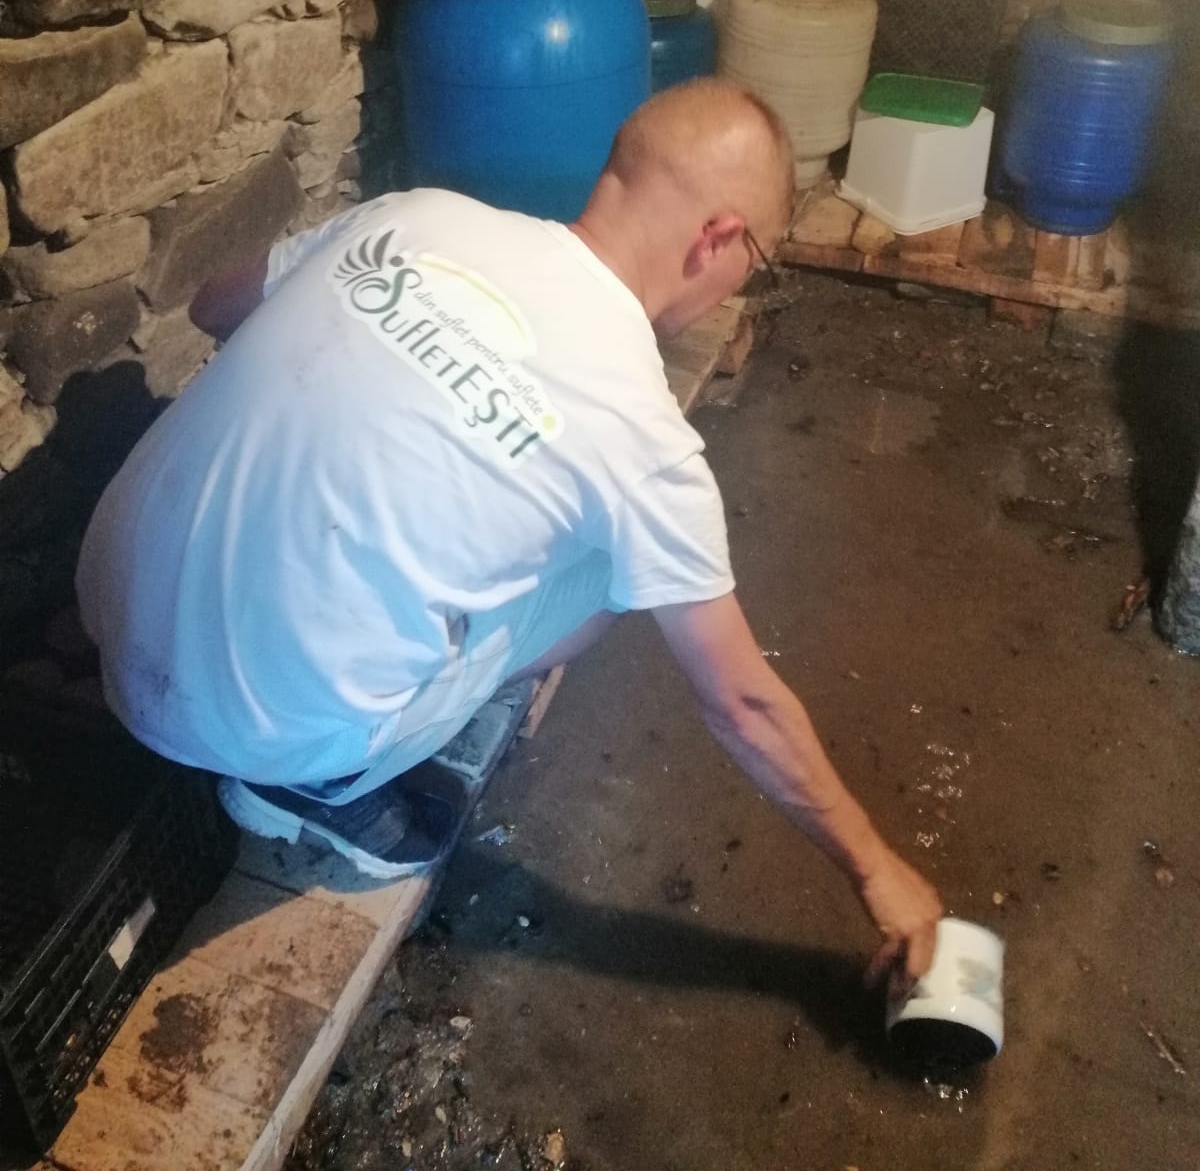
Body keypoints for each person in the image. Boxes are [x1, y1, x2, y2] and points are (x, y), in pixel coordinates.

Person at [77, 78, 941, 995]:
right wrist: (875, 870)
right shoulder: (642, 438)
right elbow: (743, 705)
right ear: (717, 237)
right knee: (610, 578)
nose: (742, 280)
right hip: (253, 728)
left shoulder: (418, 215)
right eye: (755, 261)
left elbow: (214, 307)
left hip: (107, 603)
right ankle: (320, 785)